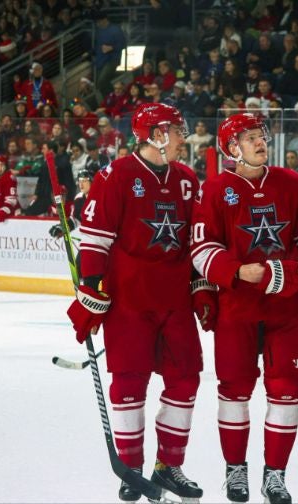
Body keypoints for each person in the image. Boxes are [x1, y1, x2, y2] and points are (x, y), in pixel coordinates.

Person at [66, 103, 212, 503]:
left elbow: (196, 241)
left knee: (185, 380)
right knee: (130, 384)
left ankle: (169, 467)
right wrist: (91, 291)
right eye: (176, 130)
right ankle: (131, 470)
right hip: (129, 301)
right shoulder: (115, 176)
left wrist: (201, 287)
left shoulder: (186, 178)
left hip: (175, 298)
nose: (184, 137)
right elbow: (95, 240)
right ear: (155, 135)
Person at [190, 112, 298, 504]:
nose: (259, 141)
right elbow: (201, 246)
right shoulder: (215, 189)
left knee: (286, 392)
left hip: (285, 310)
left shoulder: (291, 183)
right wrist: (232, 272)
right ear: (232, 149)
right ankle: (236, 472)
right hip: (237, 309)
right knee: (234, 391)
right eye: (248, 137)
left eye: (260, 135)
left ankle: (275, 477)